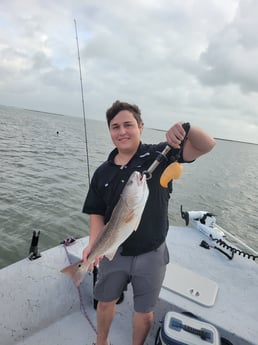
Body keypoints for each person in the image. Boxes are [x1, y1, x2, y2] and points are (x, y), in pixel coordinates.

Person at [82, 100, 216, 345]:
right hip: (115, 250)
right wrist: (94, 244)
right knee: (104, 302)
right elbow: (96, 213)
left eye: (128, 125)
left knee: (144, 313)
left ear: (141, 127)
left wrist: (187, 128)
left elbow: (207, 145)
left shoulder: (161, 154)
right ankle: (101, 342)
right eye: (115, 127)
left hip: (152, 253)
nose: (122, 131)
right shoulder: (102, 172)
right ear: (110, 131)